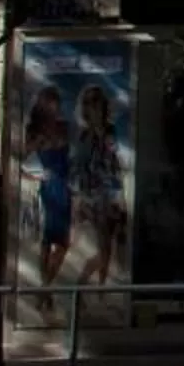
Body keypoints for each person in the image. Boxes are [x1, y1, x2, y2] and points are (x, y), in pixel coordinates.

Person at [23, 85, 73, 316]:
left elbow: (72, 155)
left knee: (62, 242)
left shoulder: (64, 127)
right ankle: (46, 294)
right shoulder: (33, 130)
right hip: (47, 188)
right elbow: (23, 163)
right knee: (46, 241)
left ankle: (44, 291)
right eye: (49, 102)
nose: (54, 107)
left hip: (64, 186)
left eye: (56, 102)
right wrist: (39, 175)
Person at [72, 82, 126, 286]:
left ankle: (101, 287)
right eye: (91, 105)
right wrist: (82, 198)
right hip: (95, 197)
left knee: (111, 246)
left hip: (113, 194)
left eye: (98, 104)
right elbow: (82, 167)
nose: (96, 110)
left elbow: (115, 161)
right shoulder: (85, 136)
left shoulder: (110, 130)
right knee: (104, 248)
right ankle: (82, 284)